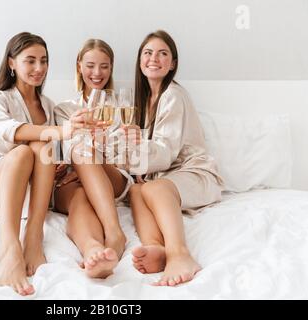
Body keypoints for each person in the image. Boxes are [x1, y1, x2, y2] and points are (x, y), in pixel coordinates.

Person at [0, 32, 87, 295]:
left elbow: (54, 150)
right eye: (30, 61)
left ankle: (33, 235)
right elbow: (2, 131)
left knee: (41, 148)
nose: (39, 68)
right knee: (23, 153)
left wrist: (61, 161)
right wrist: (58, 132)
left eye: (44, 61)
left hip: (34, 191)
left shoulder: (49, 106)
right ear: (11, 63)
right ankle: (9, 248)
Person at [124, 30, 224, 286]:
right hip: (168, 180)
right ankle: (156, 247)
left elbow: (165, 154)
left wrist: (131, 151)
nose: (153, 58)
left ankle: (179, 253)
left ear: (173, 64)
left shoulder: (173, 95)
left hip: (196, 175)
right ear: (139, 60)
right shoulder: (144, 101)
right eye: (147, 53)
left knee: (154, 188)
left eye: (162, 53)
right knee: (136, 191)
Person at [53, 39, 134, 279]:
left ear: (111, 68)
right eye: (90, 65)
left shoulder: (121, 107)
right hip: (72, 182)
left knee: (83, 152)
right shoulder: (64, 109)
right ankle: (93, 250)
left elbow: (126, 152)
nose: (97, 73)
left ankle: (114, 232)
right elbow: (60, 153)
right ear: (79, 66)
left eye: (104, 66)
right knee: (79, 193)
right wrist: (81, 164)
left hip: (111, 177)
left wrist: (92, 156)